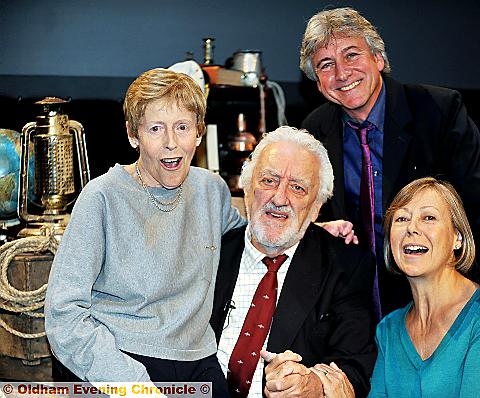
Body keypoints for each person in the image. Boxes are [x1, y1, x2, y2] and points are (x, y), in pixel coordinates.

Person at [300, 7, 480, 338]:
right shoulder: (314, 131)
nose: (342, 73)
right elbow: (307, 223)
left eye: (352, 55)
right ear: (317, 81)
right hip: (356, 313)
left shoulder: (439, 111)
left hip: (442, 306)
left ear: (378, 58)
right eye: (326, 65)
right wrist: (320, 230)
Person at [44, 68, 246, 396]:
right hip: (121, 358)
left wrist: (312, 228)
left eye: (182, 127)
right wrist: (133, 386)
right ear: (133, 135)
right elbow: (63, 316)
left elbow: (254, 239)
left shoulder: (212, 190)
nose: (171, 143)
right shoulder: (102, 197)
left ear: (198, 132)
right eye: (156, 129)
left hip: (199, 359)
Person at [311, 177, 480, 397]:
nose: (411, 229)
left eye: (429, 217)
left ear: (458, 238)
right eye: (401, 219)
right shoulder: (388, 329)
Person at [209, 126, 377, 397]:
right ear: (247, 189)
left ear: (316, 207)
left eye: (297, 188)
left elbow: (355, 367)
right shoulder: (212, 253)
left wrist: (313, 385)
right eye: (268, 180)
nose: (279, 198)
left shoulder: (346, 267)